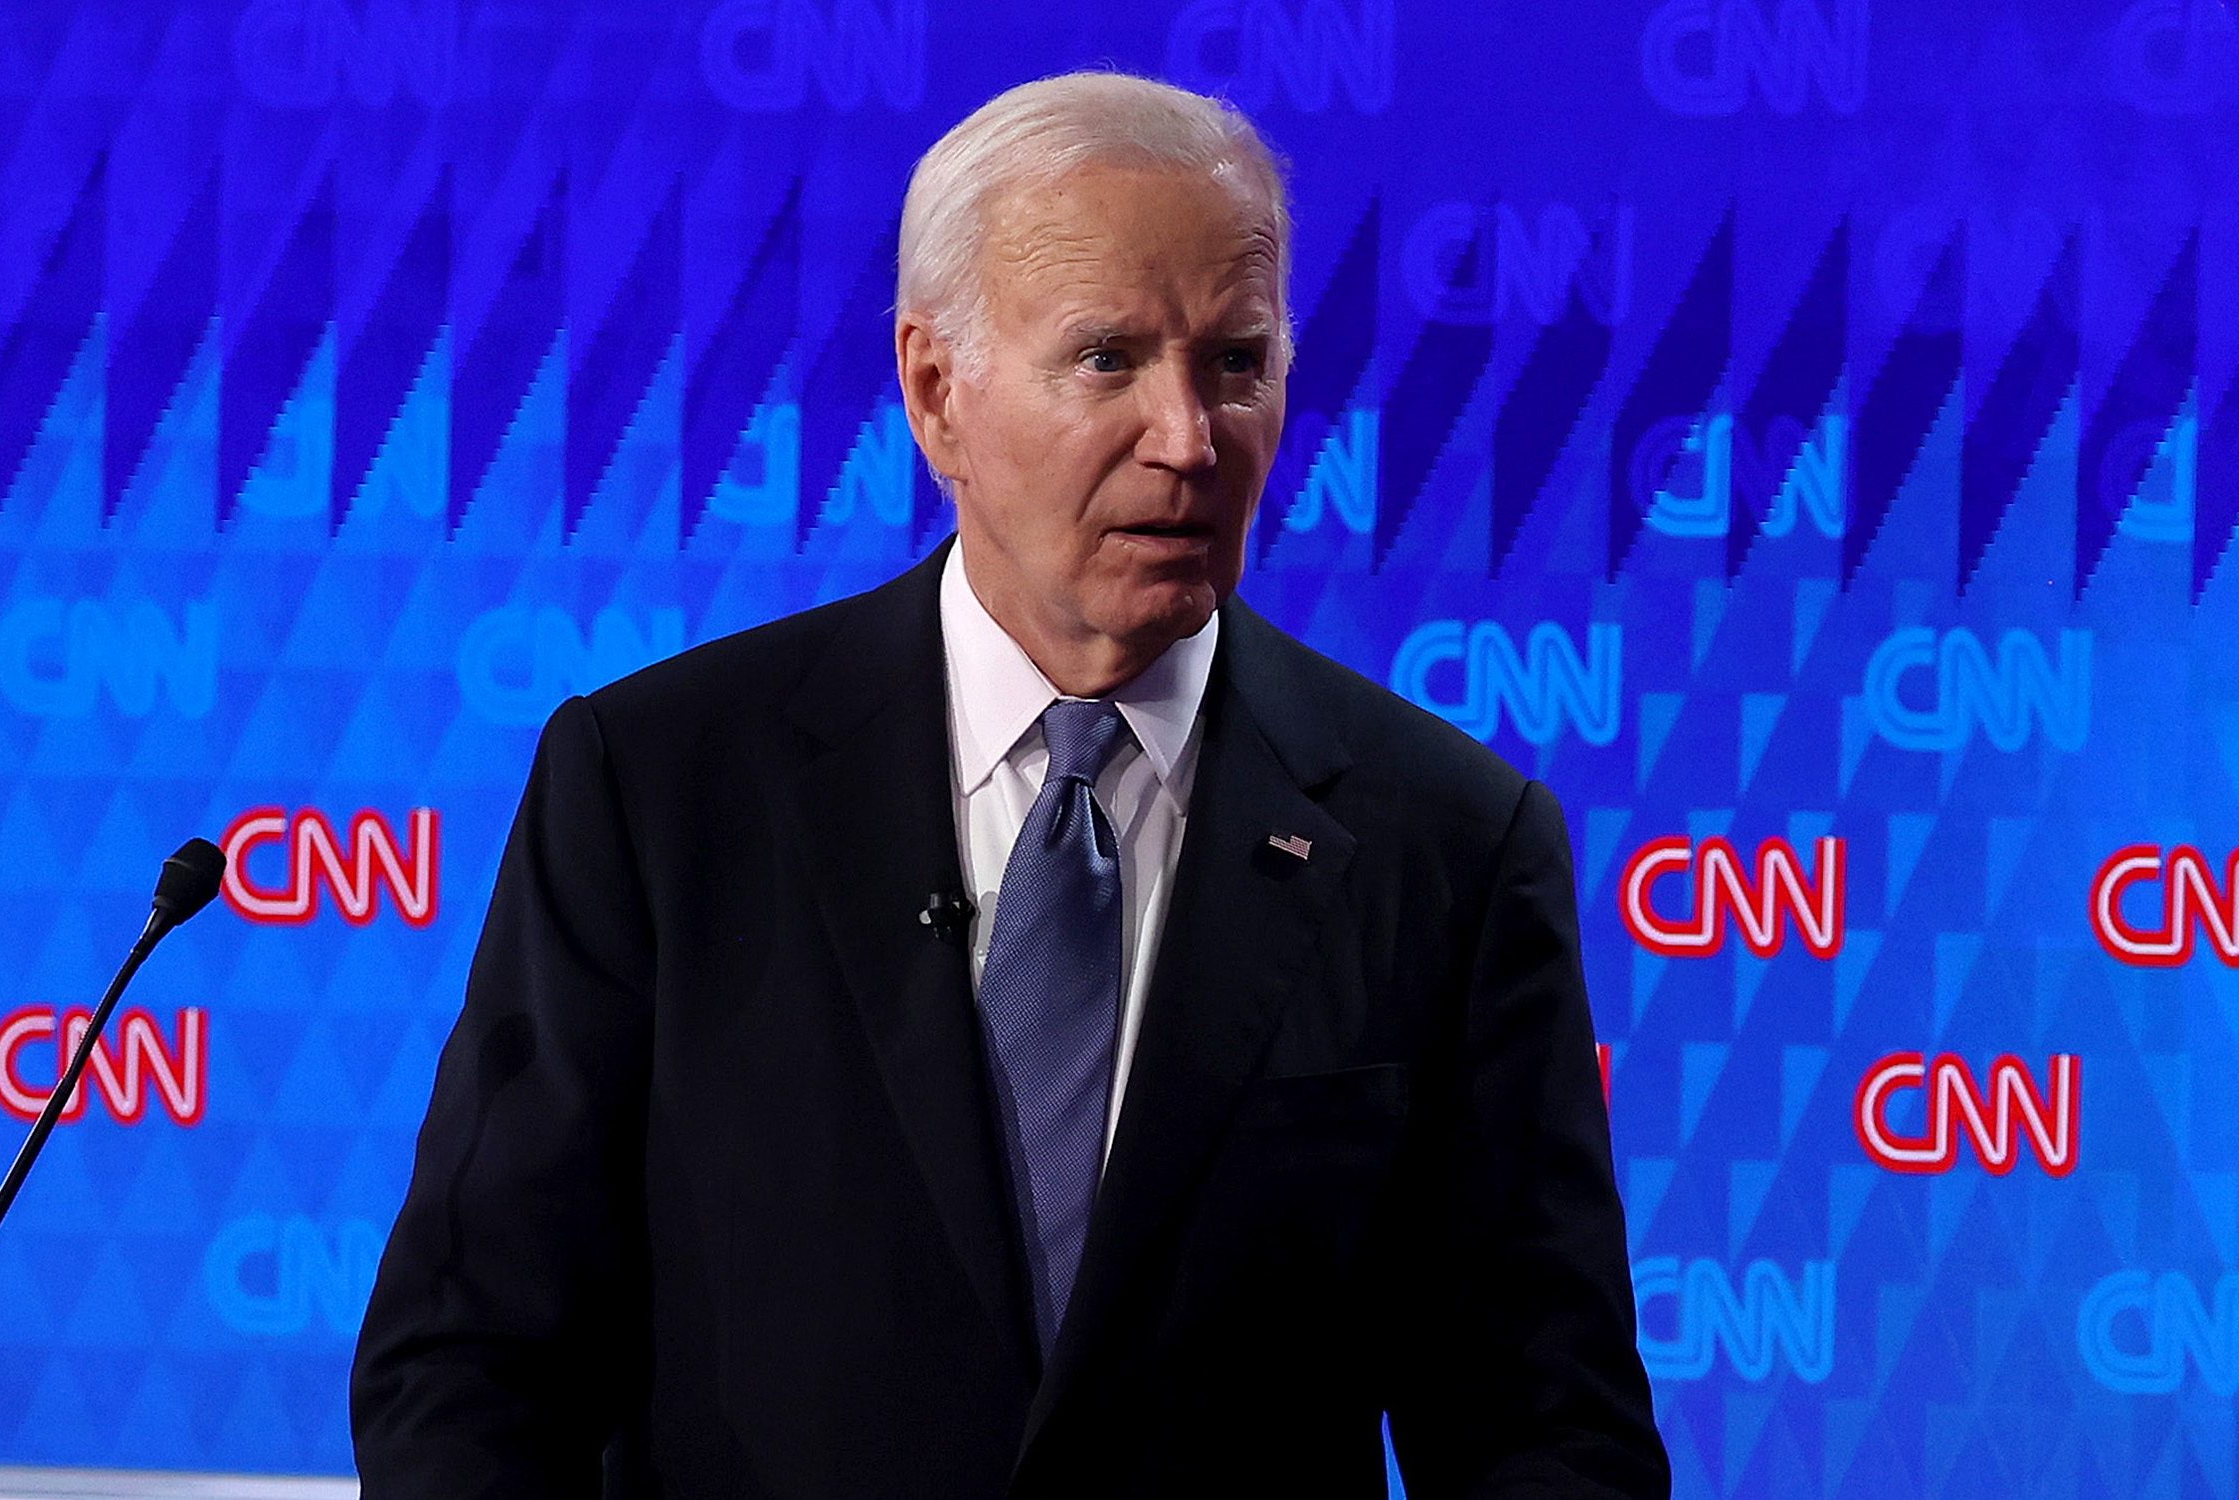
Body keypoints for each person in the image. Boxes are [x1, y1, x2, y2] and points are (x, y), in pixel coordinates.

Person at [351, 71, 1667, 1498]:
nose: (1190, 437)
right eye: (1108, 358)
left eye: (1236, 361)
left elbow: (1548, 1435)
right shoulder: (661, 790)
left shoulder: (1452, 845)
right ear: (937, 392)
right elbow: (473, 1364)